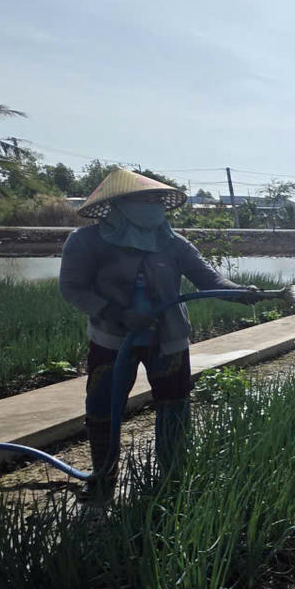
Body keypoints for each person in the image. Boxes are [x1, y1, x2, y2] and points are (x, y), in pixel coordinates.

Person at [59, 168, 264, 503]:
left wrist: (241, 292)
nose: (153, 206)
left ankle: (173, 480)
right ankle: (102, 480)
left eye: (157, 199)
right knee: (103, 409)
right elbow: (72, 289)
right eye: (145, 199)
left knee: (174, 407)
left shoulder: (172, 242)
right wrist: (117, 312)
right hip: (112, 340)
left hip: (168, 340)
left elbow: (208, 279)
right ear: (120, 203)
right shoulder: (87, 241)